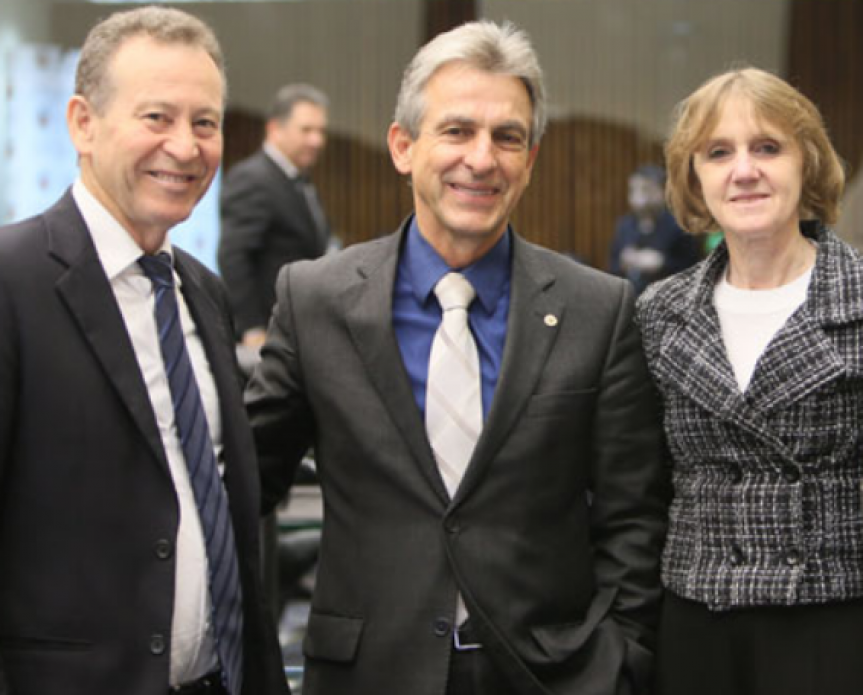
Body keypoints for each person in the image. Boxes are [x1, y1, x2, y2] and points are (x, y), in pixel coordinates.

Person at [246, 20, 667, 695]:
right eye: (456, 130)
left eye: (507, 137)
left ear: (530, 159)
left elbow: (633, 515)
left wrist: (619, 661)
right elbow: (245, 486)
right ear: (402, 146)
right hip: (367, 673)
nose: (482, 157)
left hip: (549, 676)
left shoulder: (599, 309)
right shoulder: (313, 300)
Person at [0, 7, 288, 695]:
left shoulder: (203, 293)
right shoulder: (12, 282)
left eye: (205, 122)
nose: (185, 147)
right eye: (156, 118)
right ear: (82, 123)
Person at [636, 67, 858, 695]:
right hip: (694, 625)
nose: (744, 170)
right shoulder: (658, 312)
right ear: (694, 176)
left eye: (767, 147)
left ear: (807, 163)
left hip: (835, 621)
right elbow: (643, 486)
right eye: (718, 152)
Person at [218, 83, 331, 350]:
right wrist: (252, 329)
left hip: (297, 329)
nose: (317, 140)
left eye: (321, 131)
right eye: (306, 130)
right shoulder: (253, 178)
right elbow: (233, 256)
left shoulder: (297, 180)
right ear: (274, 129)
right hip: (267, 336)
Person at [608, 163, 701, 295]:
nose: (638, 197)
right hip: (629, 298)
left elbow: (693, 270)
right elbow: (612, 266)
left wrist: (662, 263)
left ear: (661, 191)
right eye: (633, 190)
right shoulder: (625, 225)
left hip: (667, 298)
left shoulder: (679, 226)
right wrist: (624, 261)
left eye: (646, 190)